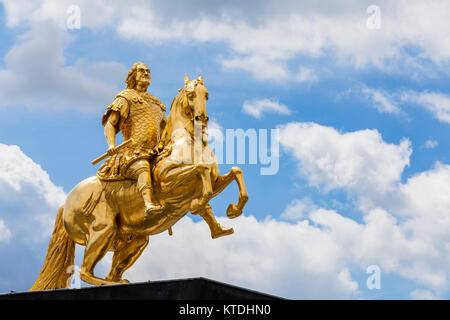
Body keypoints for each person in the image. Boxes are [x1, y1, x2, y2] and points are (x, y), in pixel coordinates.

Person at [97, 62, 166, 215]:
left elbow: (166, 130)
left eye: (148, 71)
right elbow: (111, 123)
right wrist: (111, 145)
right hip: (133, 152)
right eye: (142, 71)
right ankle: (148, 203)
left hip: (156, 152)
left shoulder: (157, 102)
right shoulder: (125, 97)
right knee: (142, 167)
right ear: (133, 76)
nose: (146, 73)